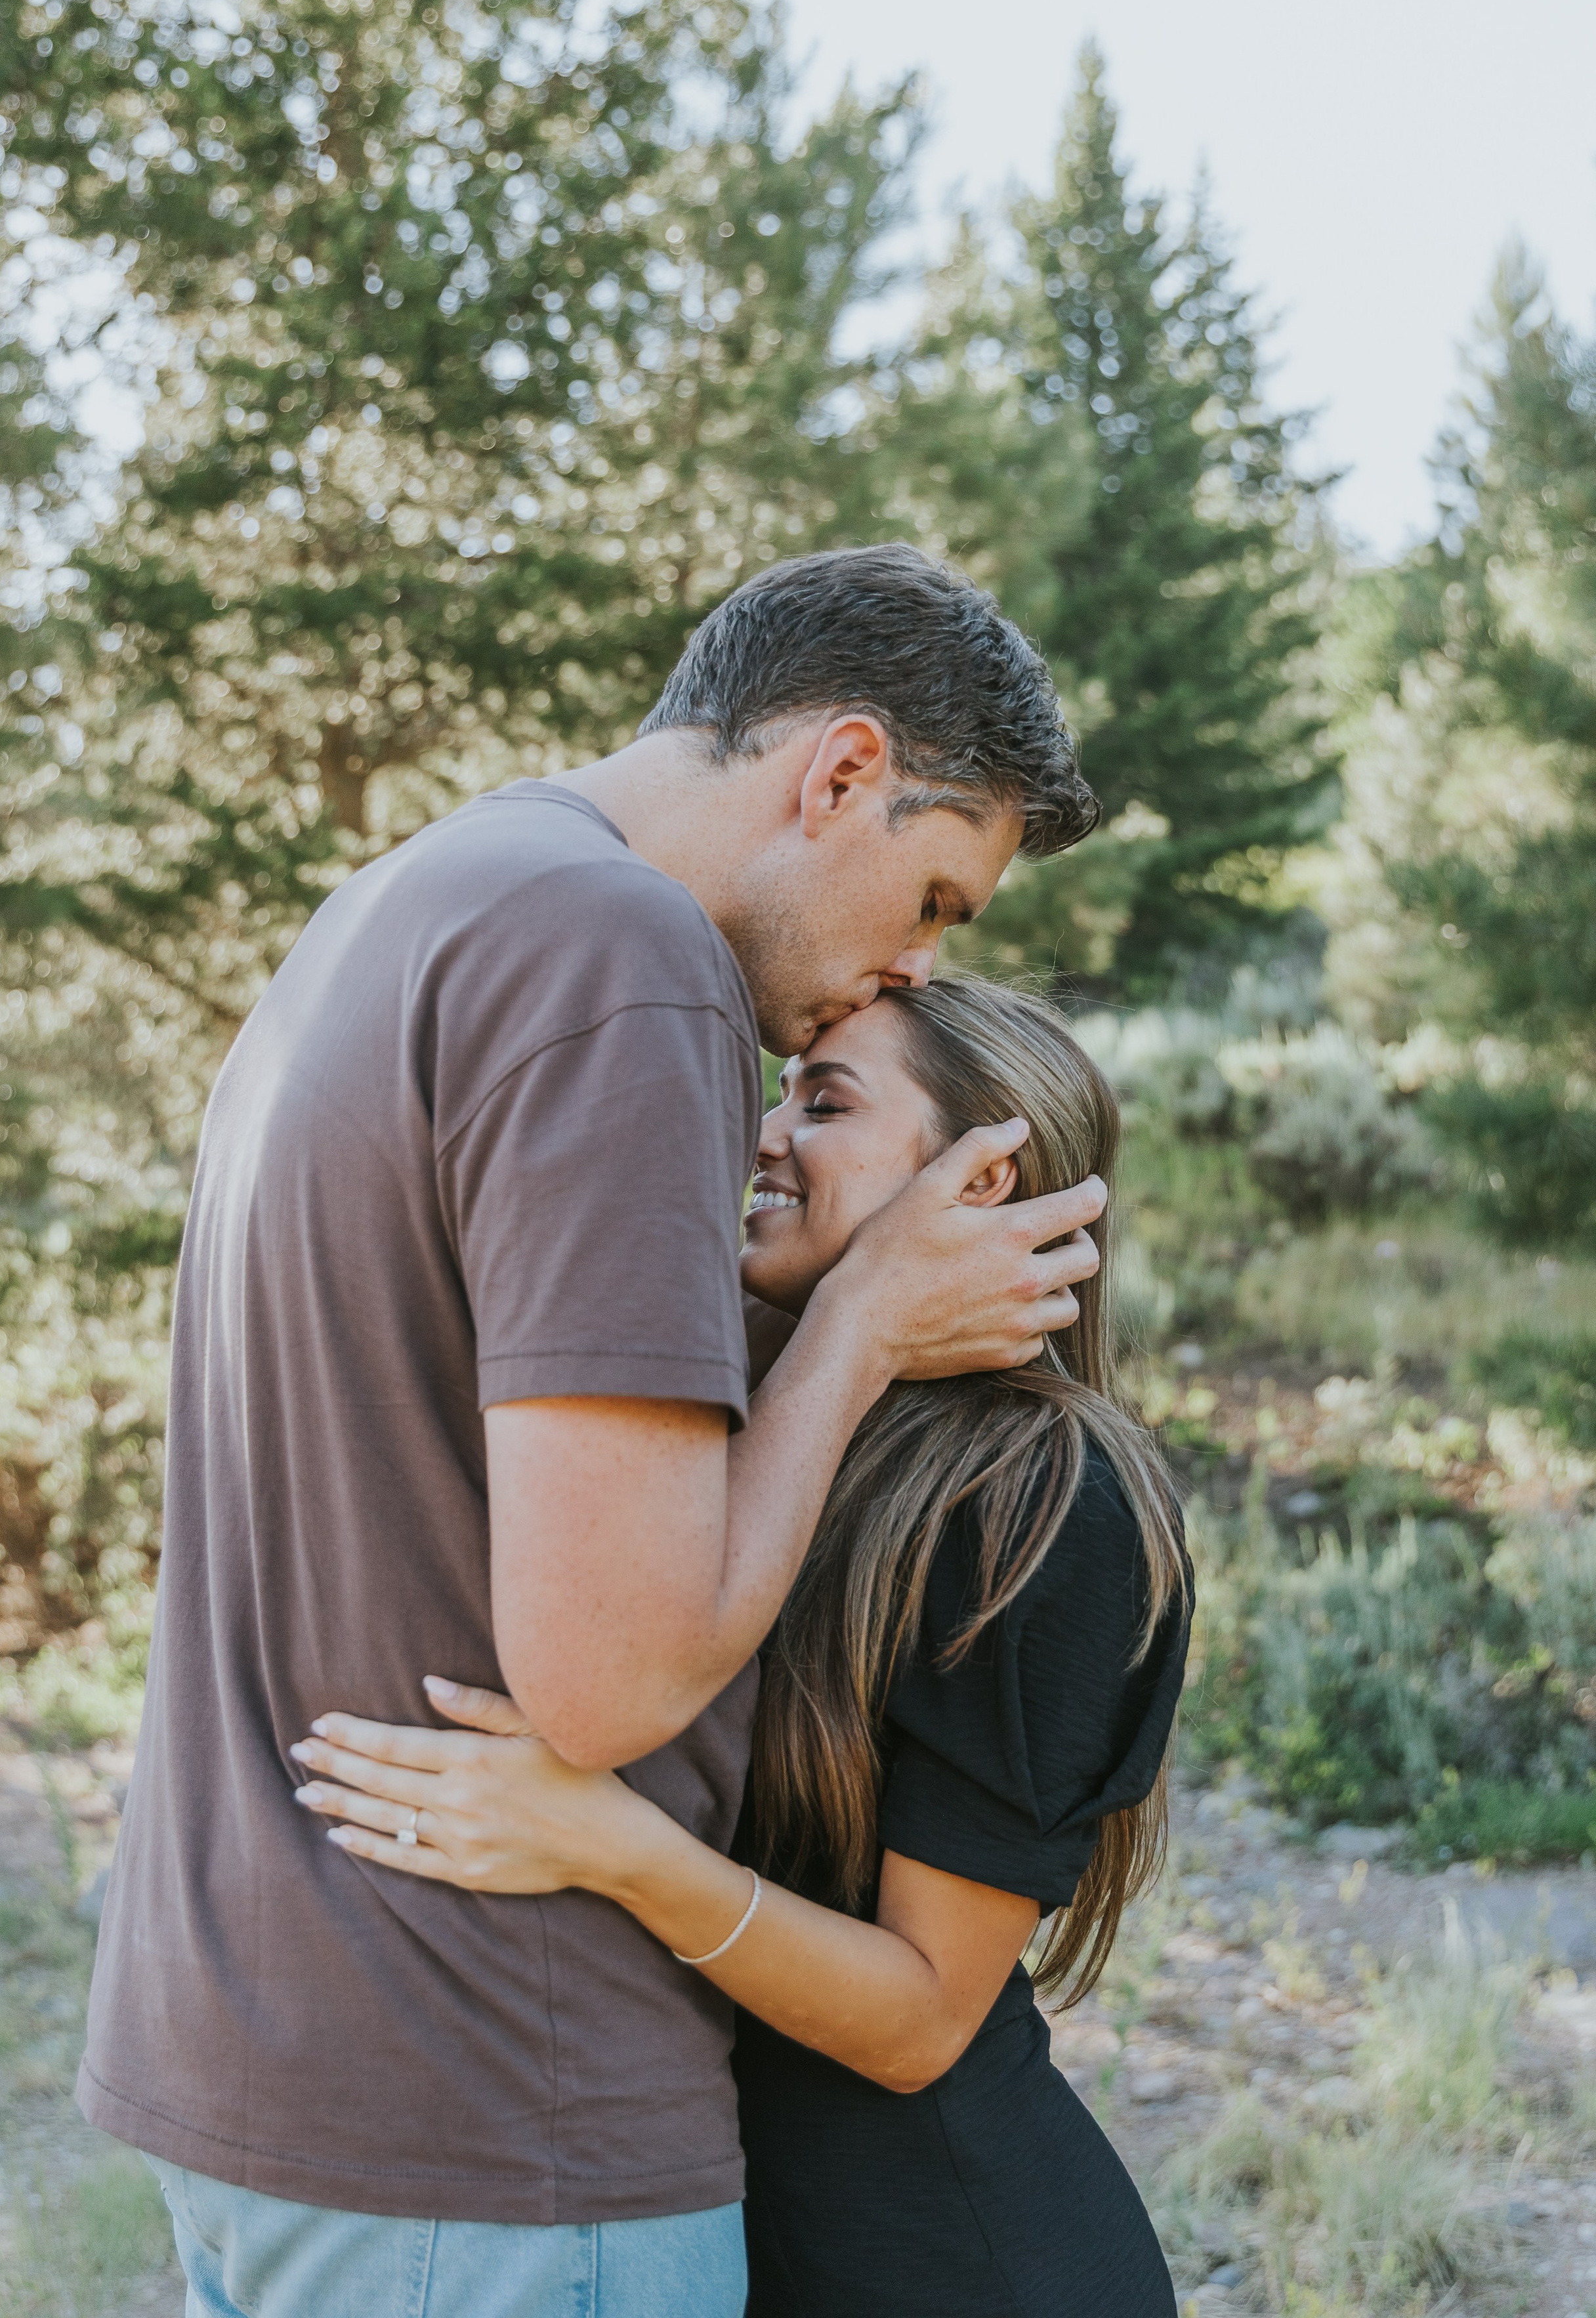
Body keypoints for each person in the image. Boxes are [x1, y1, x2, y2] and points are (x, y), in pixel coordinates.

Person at [77, 545, 1108, 2318]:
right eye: (935, 898)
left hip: (253, 2053)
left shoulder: (419, 897)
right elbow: (611, 1685)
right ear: (840, 771)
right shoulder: (625, 954)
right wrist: (860, 1328)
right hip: (486, 2109)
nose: (916, 970)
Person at [288, 978, 1192, 2317]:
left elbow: (919, 2020)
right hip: (711, 2231)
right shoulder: (761, 1408)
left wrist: (609, 1848)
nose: (764, 1135)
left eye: (822, 1102)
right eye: (776, 1094)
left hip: (944, 2267)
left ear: (980, 1171)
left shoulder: (1043, 1498)